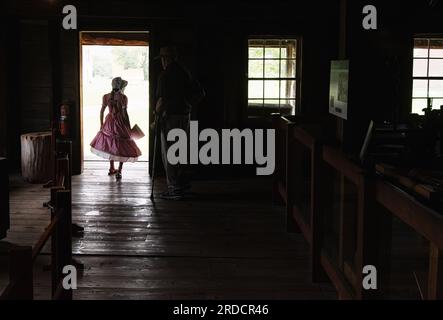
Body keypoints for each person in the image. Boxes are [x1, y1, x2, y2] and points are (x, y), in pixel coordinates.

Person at [155, 46, 205, 200]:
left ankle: (174, 189)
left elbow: (161, 100)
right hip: (184, 117)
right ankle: (181, 185)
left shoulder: (165, 75)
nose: (162, 62)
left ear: (166, 58)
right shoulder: (185, 73)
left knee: (169, 152)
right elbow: (201, 93)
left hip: (170, 118)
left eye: (162, 58)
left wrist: (156, 117)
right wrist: (187, 104)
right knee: (181, 151)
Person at [90, 77, 142, 180]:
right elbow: (124, 114)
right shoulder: (123, 98)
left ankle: (111, 168)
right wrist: (128, 126)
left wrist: (101, 124)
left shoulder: (106, 96)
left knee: (110, 145)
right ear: (121, 86)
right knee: (121, 145)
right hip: (120, 122)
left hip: (108, 122)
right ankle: (119, 170)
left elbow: (101, 111)